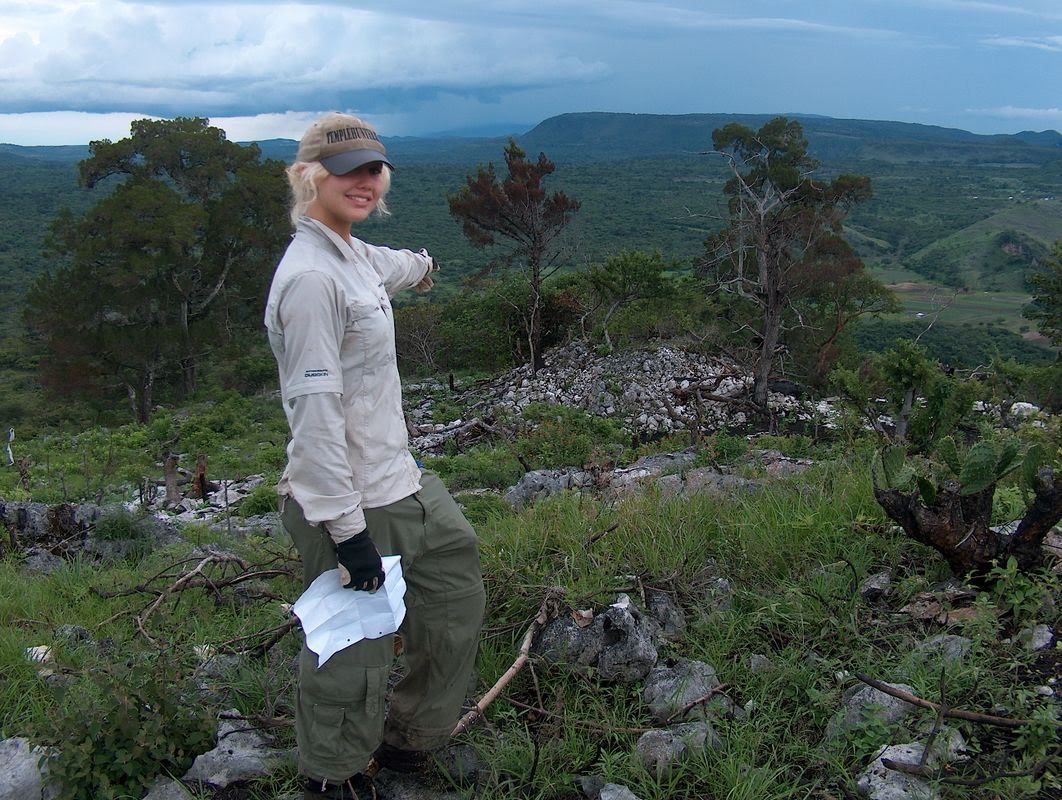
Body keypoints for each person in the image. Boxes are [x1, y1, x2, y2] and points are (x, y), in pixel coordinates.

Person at [264, 112, 486, 800]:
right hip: (350, 498)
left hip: (404, 482)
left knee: (454, 598)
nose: (365, 180)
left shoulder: (351, 256)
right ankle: (331, 776)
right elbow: (315, 415)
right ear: (309, 177)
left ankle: (410, 740)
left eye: (374, 167)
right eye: (347, 168)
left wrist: (423, 268)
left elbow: (389, 267)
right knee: (352, 648)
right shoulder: (309, 280)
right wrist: (346, 530)